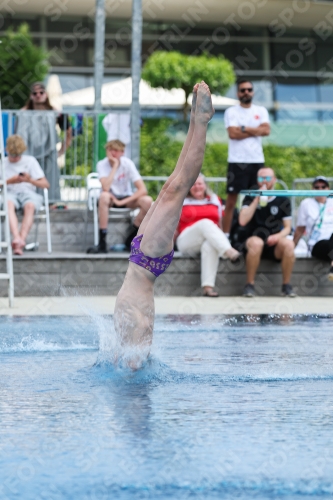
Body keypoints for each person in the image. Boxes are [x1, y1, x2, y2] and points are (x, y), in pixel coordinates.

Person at [114, 81, 214, 369]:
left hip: (140, 257)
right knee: (178, 188)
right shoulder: (139, 338)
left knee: (171, 185)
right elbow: (140, 345)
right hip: (147, 262)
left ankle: (197, 119)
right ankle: (201, 122)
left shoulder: (131, 342)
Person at [176, 173, 240, 297]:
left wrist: (220, 237)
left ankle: (208, 287)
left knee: (210, 245)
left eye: (199, 183)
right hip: (186, 239)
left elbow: (220, 223)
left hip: (208, 238)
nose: (197, 187)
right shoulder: (181, 200)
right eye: (193, 184)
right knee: (205, 222)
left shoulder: (215, 199)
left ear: (205, 185)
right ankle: (229, 251)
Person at [239, 167, 296, 298]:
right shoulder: (250, 196)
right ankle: (250, 285)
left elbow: (287, 228)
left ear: (274, 180)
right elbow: (242, 220)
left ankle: (286, 285)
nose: (264, 181)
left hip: (274, 243)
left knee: (289, 245)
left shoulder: (283, 200)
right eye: (261, 178)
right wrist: (256, 200)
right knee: (256, 243)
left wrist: (277, 236)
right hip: (253, 240)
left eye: (268, 178)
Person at [223, 79, 270, 235]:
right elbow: (233, 134)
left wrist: (244, 128)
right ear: (238, 93)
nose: (246, 92)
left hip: (257, 161)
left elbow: (266, 131)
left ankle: (255, 233)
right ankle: (226, 235)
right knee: (231, 201)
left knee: (259, 199)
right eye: (243, 90)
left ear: (253, 91)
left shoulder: (261, 110)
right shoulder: (231, 111)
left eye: (249, 89)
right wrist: (255, 130)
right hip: (237, 161)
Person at [88, 139, 153, 254]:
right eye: (111, 150)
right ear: (107, 151)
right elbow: (106, 188)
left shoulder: (128, 163)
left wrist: (122, 202)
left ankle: (133, 235)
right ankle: (102, 241)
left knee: (147, 201)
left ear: (122, 152)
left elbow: (143, 189)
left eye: (116, 150)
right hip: (110, 198)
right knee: (104, 196)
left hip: (125, 198)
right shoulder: (102, 164)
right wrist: (115, 166)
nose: (113, 153)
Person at [16, 81, 72, 202]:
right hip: (28, 153)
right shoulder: (23, 113)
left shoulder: (55, 112)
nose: (38, 95)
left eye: (41, 92)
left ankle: (52, 204)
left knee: (51, 179)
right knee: (28, 179)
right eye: (35, 93)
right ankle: (27, 202)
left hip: (49, 152)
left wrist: (62, 150)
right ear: (31, 96)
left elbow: (69, 131)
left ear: (46, 94)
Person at [2, 135, 49, 255]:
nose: (15, 158)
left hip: (28, 193)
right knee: (8, 204)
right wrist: (9, 181)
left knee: (30, 206)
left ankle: (20, 240)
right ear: (7, 150)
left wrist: (29, 180)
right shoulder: (3, 162)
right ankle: (17, 239)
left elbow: (45, 184)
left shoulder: (30, 161)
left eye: (17, 155)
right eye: (13, 155)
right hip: (9, 193)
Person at [294, 176, 333, 281]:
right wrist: (292, 246)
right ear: (312, 189)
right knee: (329, 243)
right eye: (317, 187)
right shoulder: (306, 203)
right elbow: (300, 228)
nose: (320, 189)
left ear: (328, 188)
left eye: (323, 187)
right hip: (317, 244)